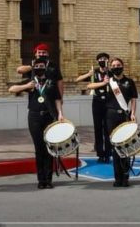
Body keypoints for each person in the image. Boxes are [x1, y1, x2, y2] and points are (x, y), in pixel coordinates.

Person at [9, 56, 64, 189]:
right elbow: (11, 89)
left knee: (49, 148)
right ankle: (41, 180)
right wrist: (26, 86)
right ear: (33, 68)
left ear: (45, 68)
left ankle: (48, 179)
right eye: (37, 67)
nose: (39, 69)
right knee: (39, 149)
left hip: (49, 117)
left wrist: (60, 113)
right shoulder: (30, 81)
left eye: (42, 67)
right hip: (34, 118)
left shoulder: (50, 82)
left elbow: (57, 98)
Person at [88, 57, 137, 187]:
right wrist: (103, 83)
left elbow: (133, 99)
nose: (116, 67)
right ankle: (117, 178)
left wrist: (133, 113)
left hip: (125, 116)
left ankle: (125, 177)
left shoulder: (129, 82)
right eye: (113, 65)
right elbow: (90, 86)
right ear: (111, 67)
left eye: (118, 64)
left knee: (125, 147)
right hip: (111, 116)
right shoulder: (109, 81)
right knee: (115, 147)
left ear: (123, 66)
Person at [76, 52, 112, 163]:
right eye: (101, 59)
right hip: (97, 102)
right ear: (98, 61)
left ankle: (108, 153)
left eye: (105, 59)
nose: (103, 60)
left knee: (107, 129)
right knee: (98, 128)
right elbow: (80, 81)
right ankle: (100, 153)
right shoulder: (94, 72)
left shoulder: (110, 73)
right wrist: (88, 74)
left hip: (109, 102)